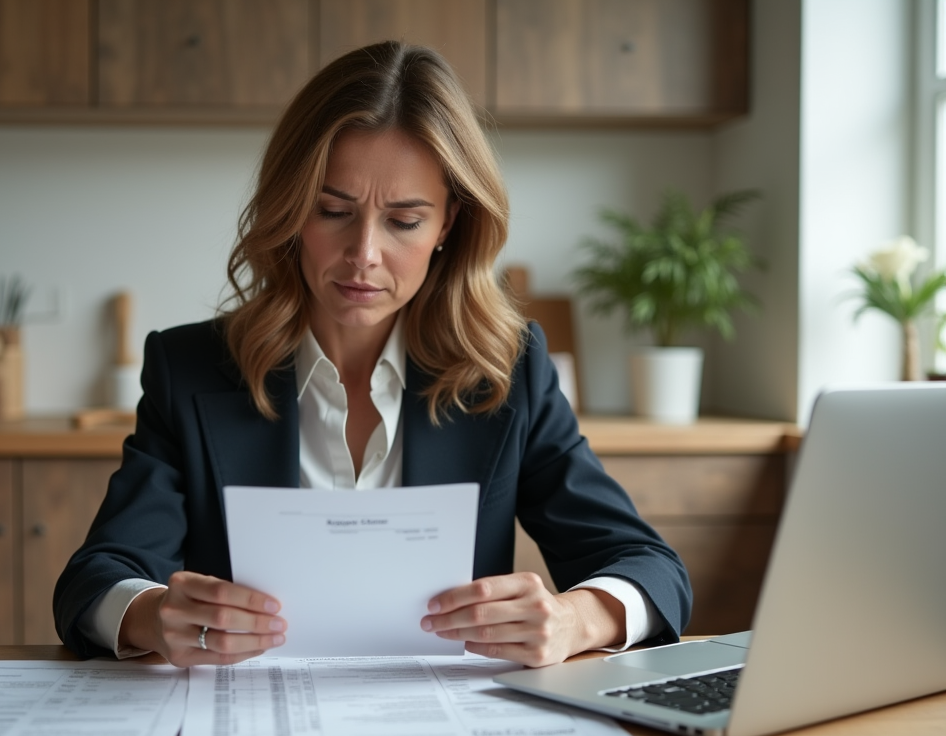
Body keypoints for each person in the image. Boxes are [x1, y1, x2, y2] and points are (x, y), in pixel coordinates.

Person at [54, 41, 691, 669]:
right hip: (245, 723)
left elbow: (650, 569)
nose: (363, 253)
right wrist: (150, 614)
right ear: (290, 211)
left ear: (450, 225)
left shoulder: (507, 369)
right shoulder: (189, 366)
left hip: (446, 734)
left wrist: (575, 618)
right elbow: (95, 579)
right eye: (332, 211)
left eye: (404, 221)